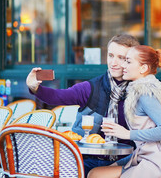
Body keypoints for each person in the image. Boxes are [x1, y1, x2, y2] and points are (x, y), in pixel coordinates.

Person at [26, 34, 140, 176]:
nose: (113, 63)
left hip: (127, 161)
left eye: (121, 58)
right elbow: (58, 96)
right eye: (110, 55)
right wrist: (35, 88)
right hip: (88, 159)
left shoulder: (141, 91)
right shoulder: (92, 87)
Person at [88, 45, 161, 178]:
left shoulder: (145, 93)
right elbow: (145, 148)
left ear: (143, 68)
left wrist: (127, 134)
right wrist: (117, 164)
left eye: (128, 61)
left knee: (95, 174)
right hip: (155, 160)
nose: (123, 65)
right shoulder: (142, 91)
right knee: (96, 173)